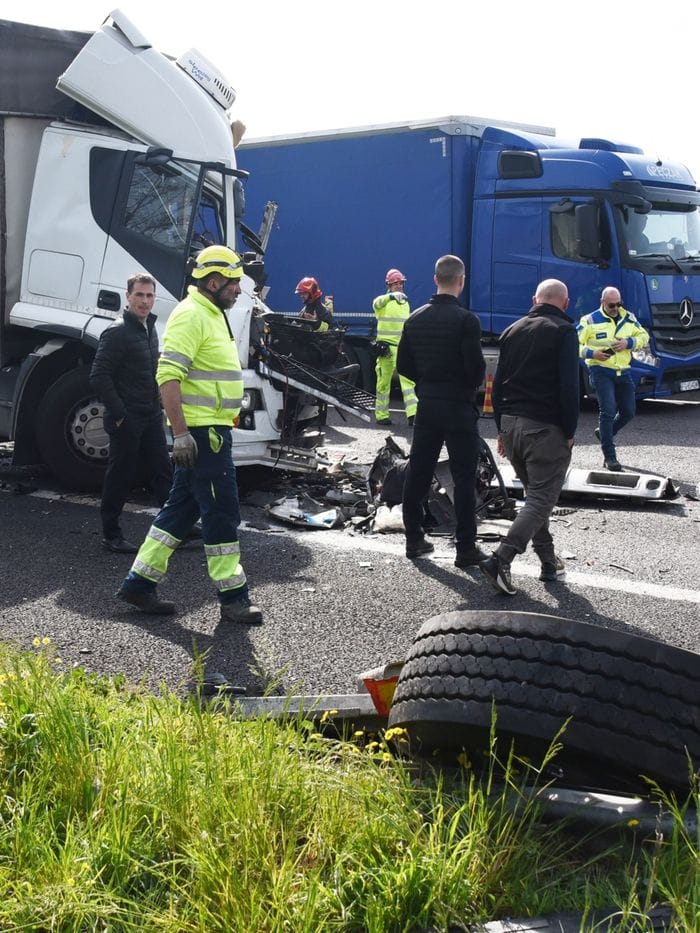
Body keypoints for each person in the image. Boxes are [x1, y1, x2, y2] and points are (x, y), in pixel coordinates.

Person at [116, 245, 262, 623]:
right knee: (221, 511)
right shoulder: (192, 315)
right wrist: (181, 434)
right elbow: (168, 376)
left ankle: (138, 585)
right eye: (232, 284)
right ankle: (233, 597)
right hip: (202, 434)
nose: (237, 291)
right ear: (213, 282)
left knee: (180, 512)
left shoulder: (211, 312)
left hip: (209, 431)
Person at [480, 279, 579, 596]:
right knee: (540, 500)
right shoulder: (563, 332)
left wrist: (499, 427)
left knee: (536, 498)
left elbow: (497, 385)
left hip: (511, 426)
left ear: (534, 298)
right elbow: (569, 387)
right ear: (565, 303)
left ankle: (549, 563)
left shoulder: (512, 330)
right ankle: (501, 558)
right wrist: (569, 430)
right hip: (545, 428)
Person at [397, 255, 487, 567]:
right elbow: (476, 368)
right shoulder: (466, 320)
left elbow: (403, 366)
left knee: (419, 472)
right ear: (460, 281)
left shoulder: (415, 318)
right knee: (464, 477)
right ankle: (465, 548)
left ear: (436, 279)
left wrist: (427, 379)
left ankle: (414, 539)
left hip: (428, 406)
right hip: (458, 406)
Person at [90, 273, 173, 553]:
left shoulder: (150, 327)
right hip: (126, 417)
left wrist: (159, 404)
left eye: (149, 296)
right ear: (128, 297)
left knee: (163, 469)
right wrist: (120, 412)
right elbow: (99, 376)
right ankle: (111, 535)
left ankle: (175, 528)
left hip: (150, 413)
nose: (145, 301)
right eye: (139, 295)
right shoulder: (117, 332)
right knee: (120, 476)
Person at [577, 286, 650, 471]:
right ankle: (610, 457)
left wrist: (629, 342)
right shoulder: (589, 320)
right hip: (600, 370)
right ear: (602, 303)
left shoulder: (628, 317)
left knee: (628, 412)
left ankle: (604, 433)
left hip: (623, 371)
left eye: (619, 304)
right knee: (608, 410)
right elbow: (573, 343)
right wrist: (592, 353)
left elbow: (644, 336)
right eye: (612, 305)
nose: (616, 308)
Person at [372, 268, 417, 426]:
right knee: (383, 383)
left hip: (401, 347)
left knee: (408, 381)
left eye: (400, 283)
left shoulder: (405, 303)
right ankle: (382, 415)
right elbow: (376, 303)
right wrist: (390, 296)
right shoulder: (383, 301)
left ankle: (413, 415)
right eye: (395, 283)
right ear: (389, 285)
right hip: (386, 349)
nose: (399, 286)